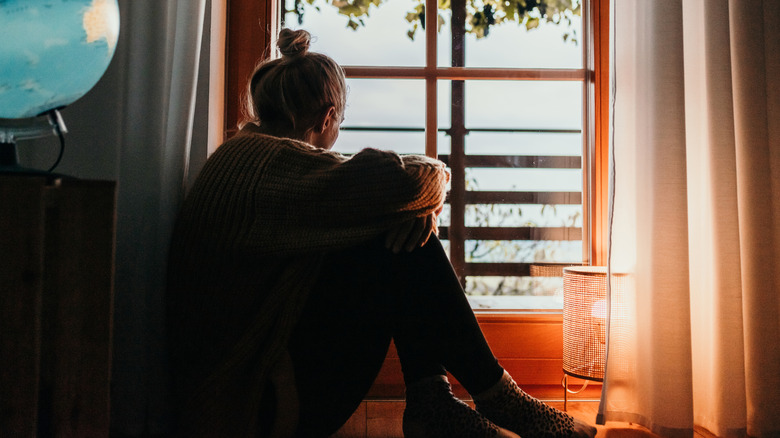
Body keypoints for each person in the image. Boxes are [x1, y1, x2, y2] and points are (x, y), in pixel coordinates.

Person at [166, 28, 598, 438]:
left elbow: (376, 190)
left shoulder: (243, 155)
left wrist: (405, 210)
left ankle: (439, 402)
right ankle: (490, 398)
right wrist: (414, 205)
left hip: (243, 387)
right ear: (327, 116)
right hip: (250, 408)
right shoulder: (276, 166)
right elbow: (412, 179)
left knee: (393, 227)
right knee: (395, 237)